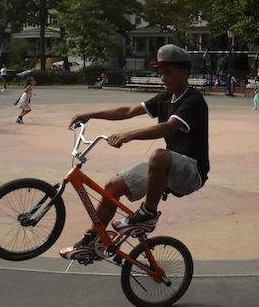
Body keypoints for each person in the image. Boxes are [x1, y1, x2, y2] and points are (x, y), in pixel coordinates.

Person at [60, 44, 209, 261]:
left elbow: (169, 127)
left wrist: (129, 135)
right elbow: (129, 111)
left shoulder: (193, 100)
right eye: (160, 72)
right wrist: (90, 114)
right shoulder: (164, 98)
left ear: (184, 73)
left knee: (158, 154)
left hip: (191, 172)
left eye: (168, 72)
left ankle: (148, 214)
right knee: (112, 186)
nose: (162, 77)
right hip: (168, 167)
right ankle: (94, 240)